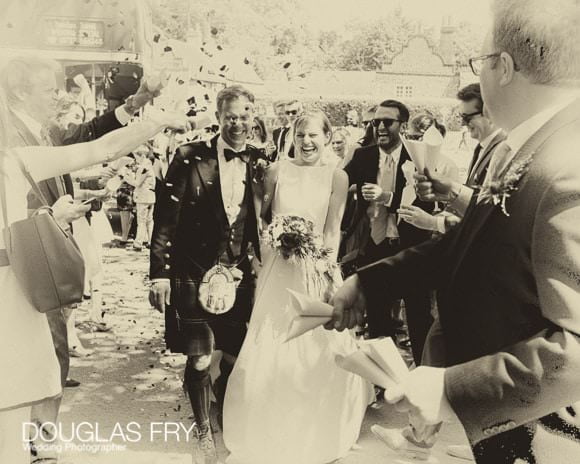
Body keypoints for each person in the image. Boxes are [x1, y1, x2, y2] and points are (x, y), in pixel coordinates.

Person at [329, 0, 580, 462]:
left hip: (544, 439)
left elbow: (574, 349)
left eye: (479, 62)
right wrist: (368, 281)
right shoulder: (532, 146)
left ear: (502, 67)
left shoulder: (567, 167)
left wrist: (449, 386)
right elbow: (471, 245)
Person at [0, 86, 189, 464]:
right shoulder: (14, 161)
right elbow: (101, 150)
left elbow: (103, 149)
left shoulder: (15, 161)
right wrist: (49, 219)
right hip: (10, 296)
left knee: (12, 412)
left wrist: (158, 120)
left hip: (12, 295)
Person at [223, 111, 372, 464]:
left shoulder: (337, 177)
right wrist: (270, 249)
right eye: (300, 135)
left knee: (317, 343)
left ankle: (317, 424)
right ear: (292, 136)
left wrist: (326, 269)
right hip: (278, 268)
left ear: (327, 137)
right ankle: (265, 422)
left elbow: (334, 228)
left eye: (314, 136)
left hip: (316, 266)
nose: (307, 142)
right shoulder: (277, 172)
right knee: (272, 339)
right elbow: (262, 217)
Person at [149, 85, 263, 463]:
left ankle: (220, 415)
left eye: (245, 116)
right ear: (218, 117)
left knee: (232, 356)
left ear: (253, 118)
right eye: (231, 117)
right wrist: (159, 273)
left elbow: (260, 223)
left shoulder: (260, 161)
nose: (238, 124)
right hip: (191, 272)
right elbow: (165, 218)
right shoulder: (188, 157)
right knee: (199, 358)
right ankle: (202, 430)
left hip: (238, 275)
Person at [343, 100, 435, 364]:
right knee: (378, 317)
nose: (380, 127)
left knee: (418, 316)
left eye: (387, 122)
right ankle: (382, 379)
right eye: (376, 122)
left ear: (403, 126)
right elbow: (338, 181)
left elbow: (425, 203)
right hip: (374, 245)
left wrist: (388, 197)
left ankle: (423, 374)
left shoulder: (419, 157)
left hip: (411, 247)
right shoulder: (363, 156)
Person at [127, 144, 156, 251]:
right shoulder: (149, 166)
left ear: (142, 156)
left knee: (141, 221)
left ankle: (138, 243)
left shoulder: (144, 168)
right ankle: (151, 241)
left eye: (137, 157)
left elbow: (137, 183)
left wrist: (127, 178)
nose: (136, 160)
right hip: (150, 197)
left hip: (143, 198)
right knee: (149, 220)